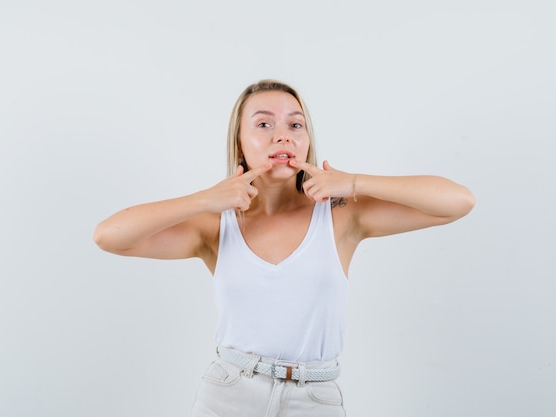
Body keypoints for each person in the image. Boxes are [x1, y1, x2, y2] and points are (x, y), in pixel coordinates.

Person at [93, 79, 475, 416]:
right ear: (240, 144)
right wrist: (205, 199)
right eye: (264, 124)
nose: (283, 135)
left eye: (295, 124)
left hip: (315, 398)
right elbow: (109, 235)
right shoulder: (216, 225)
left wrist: (354, 182)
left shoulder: (342, 216)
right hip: (228, 395)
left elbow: (458, 201)